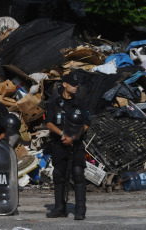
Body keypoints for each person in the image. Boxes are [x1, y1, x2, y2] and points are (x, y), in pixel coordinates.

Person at [45, 72, 90, 220]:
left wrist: (73, 137)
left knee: (77, 173)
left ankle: (80, 209)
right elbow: (49, 123)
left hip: (75, 144)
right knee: (59, 175)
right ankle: (59, 208)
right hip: (59, 143)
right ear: (64, 84)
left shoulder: (80, 103)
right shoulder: (54, 103)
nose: (76, 87)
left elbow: (86, 124)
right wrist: (62, 134)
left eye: (77, 85)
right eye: (73, 84)